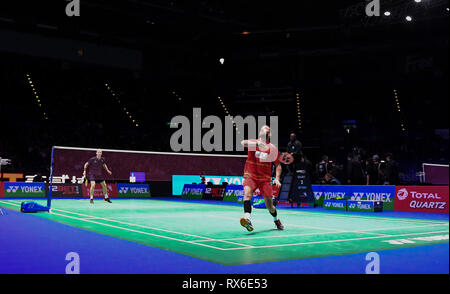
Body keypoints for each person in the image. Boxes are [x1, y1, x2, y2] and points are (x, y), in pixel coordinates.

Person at [240, 125, 284, 232]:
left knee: (270, 206)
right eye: (261, 129)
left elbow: (278, 165)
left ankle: (276, 220)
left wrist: (277, 178)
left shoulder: (272, 148)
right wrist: (256, 143)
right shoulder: (253, 143)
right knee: (247, 194)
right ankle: (247, 219)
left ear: (269, 134)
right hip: (250, 175)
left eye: (265, 129)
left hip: (264, 179)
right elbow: (242, 143)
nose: (262, 130)